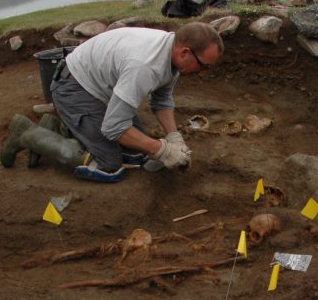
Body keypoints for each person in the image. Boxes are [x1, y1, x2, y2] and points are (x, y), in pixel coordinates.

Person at [47, 22, 223, 183]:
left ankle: (84, 127)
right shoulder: (145, 66)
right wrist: (163, 150)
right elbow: (114, 127)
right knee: (109, 164)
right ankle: (37, 134)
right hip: (72, 88)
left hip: (102, 90)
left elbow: (161, 100)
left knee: (136, 151)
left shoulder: (172, 53)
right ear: (185, 52)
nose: (203, 72)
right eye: (203, 66)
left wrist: (174, 138)